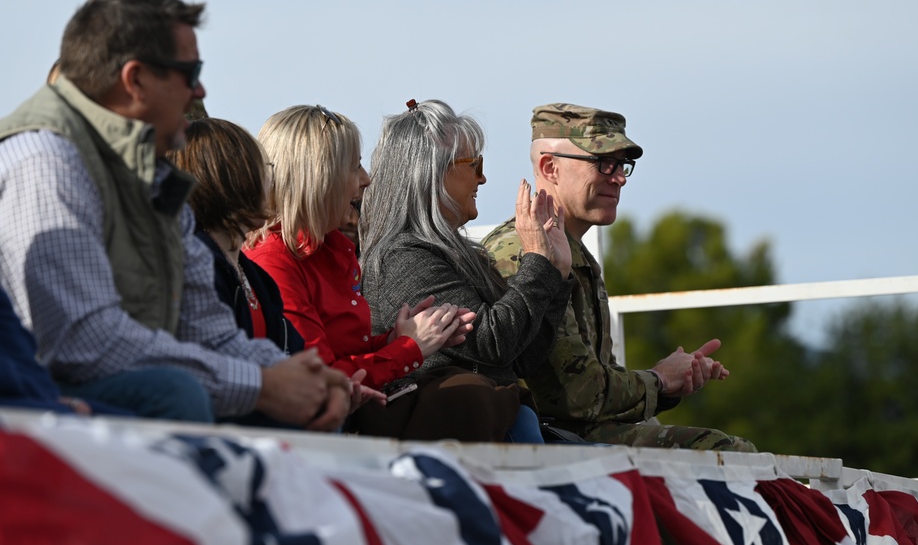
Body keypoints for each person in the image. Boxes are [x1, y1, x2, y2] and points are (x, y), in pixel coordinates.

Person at [0, 0, 352, 430]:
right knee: (175, 395)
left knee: (303, 401)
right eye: (191, 72)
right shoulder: (47, 164)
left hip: (113, 387)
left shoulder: (153, 178)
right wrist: (261, 385)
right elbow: (86, 344)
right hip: (40, 403)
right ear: (135, 79)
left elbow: (209, 330)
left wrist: (304, 373)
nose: (201, 90)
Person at [483, 103, 757, 452]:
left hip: (576, 437)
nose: (620, 178)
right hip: (544, 444)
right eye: (603, 163)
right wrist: (660, 380)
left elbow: (597, 382)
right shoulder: (523, 252)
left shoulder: (579, 256)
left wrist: (671, 382)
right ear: (549, 167)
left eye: (622, 165)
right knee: (727, 453)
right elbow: (576, 397)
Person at [360, 99, 574, 443]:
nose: (483, 177)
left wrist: (557, 274)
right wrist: (536, 261)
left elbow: (520, 359)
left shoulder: (455, 253)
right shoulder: (404, 257)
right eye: (474, 164)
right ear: (432, 172)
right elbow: (492, 343)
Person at [244, 104, 477, 392]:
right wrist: (408, 348)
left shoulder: (327, 250)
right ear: (319, 177)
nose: (366, 179)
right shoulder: (273, 263)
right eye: (355, 166)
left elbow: (344, 354)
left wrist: (394, 340)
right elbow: (321, 380)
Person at [167, 117, 304, 356]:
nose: (271, 181)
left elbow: (290, 352)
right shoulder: (199, 268)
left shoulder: (254, 274)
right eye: (264, 168)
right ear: (232, 180)